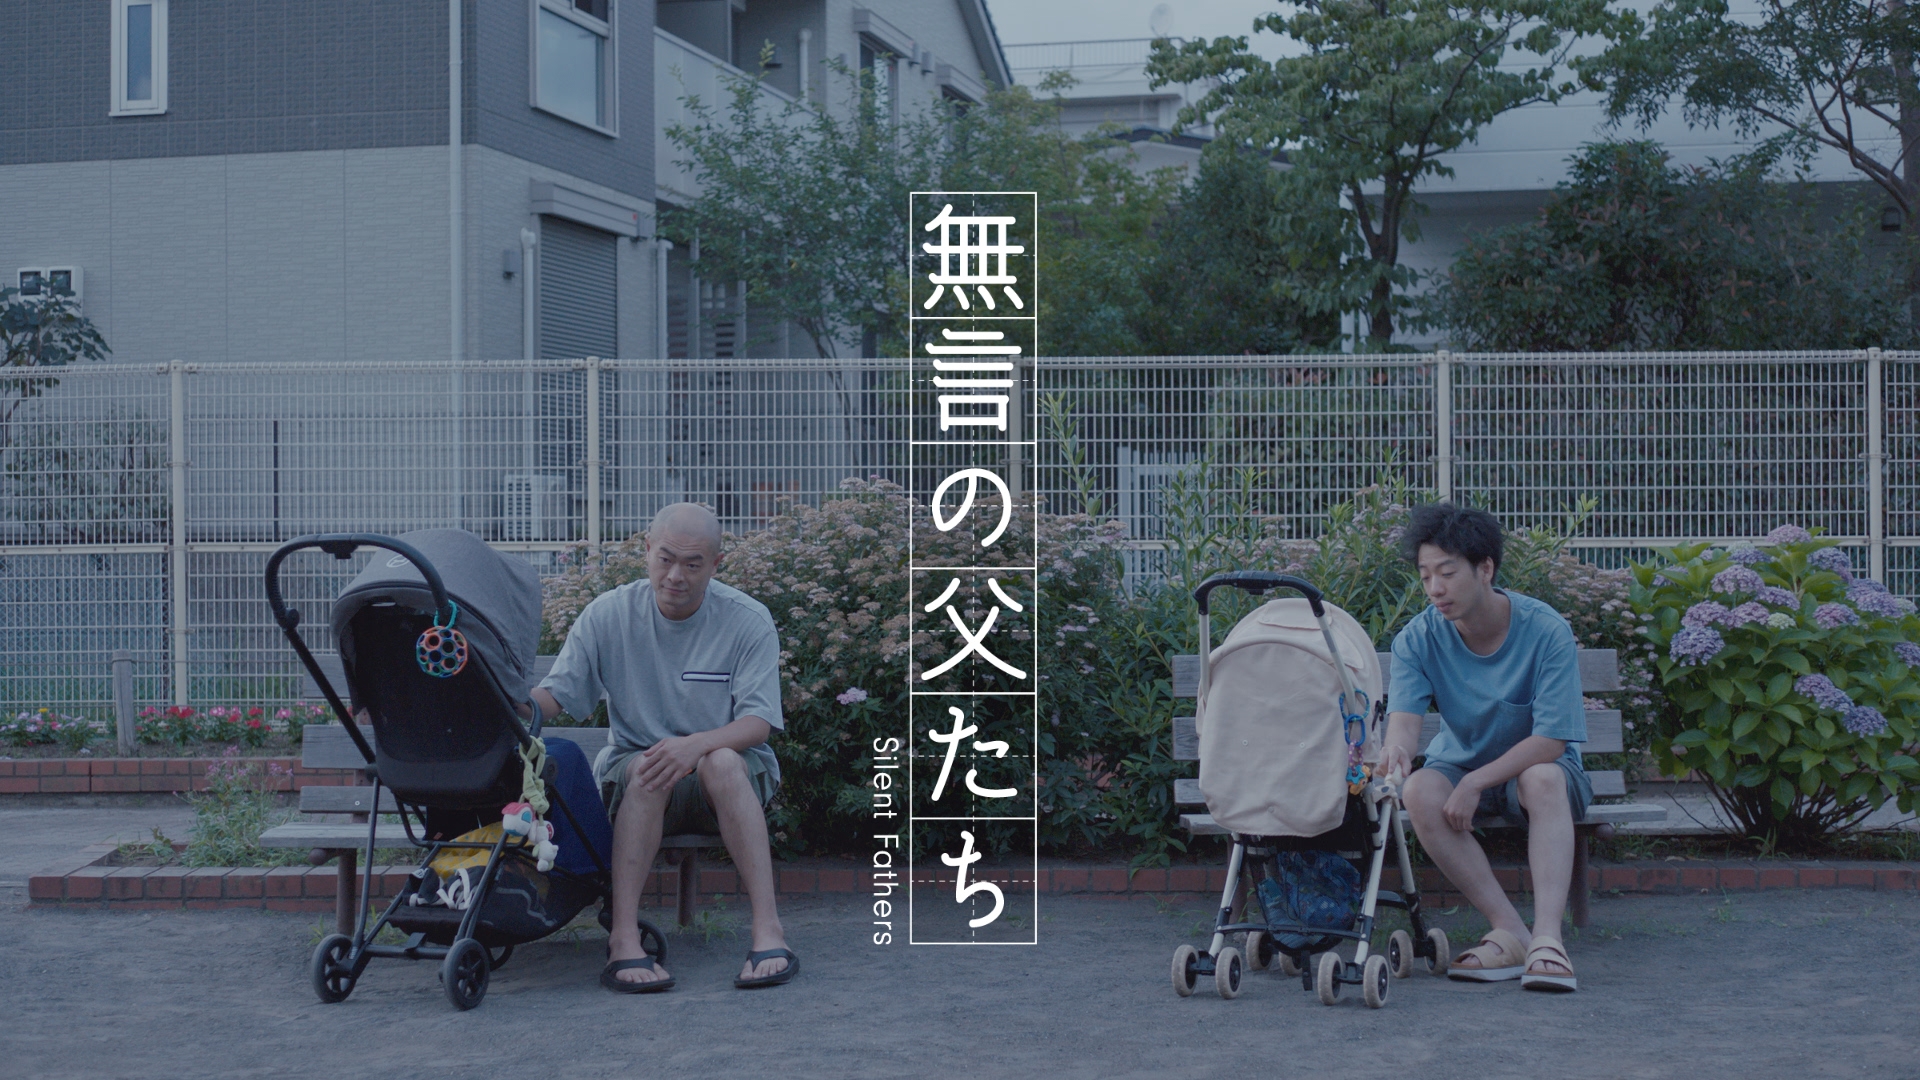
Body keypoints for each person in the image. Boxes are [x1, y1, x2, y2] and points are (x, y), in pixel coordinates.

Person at [529, 502, 797, 993]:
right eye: (666, 559)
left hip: (726, 778)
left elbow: (758, 723)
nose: (676, 575)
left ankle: (769, 931)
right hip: (640, 774)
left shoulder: (747, 619)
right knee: (649, 768)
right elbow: (555, 696)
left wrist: (694, 747)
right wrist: (494, 706)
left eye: (693, 564)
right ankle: (623, 939)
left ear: (716, 565)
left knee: (721, 761)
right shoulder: (608, 614)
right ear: (647, 549)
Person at [1379, 502, 1587, 993]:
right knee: (1420, 789)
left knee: (1541, 778)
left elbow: (1551, 741)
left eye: (1447, 573)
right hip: (1461, 768)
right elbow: (1404, 723)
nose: (1435, 588)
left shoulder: (1546, 630)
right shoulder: (1418, 638)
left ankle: (1548, 940)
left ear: (1485, 569)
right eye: (1425, 575)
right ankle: (1511, 932)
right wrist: (1397, 752)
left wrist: (1476, 781)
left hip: (1541, 774)